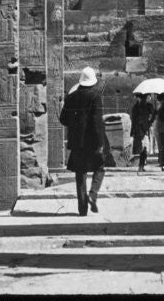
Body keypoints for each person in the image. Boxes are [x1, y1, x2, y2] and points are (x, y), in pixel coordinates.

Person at [59, 66, 106, 216]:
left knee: (80, 174)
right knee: (100, 168)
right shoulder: (95, 96)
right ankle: (92, 194)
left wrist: (75, 123)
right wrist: (100, 143)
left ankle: (82, 209)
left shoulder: (70, 97)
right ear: (93, 82)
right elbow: (96, 122)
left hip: (76, 142)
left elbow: (63, 120)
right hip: (92, 141)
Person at [130, 93, 155, 173]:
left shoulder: (146, 106)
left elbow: (152, 116)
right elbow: (134, 119)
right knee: (143, 148)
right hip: (141, 130)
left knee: (144, 148)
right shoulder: (137, 107)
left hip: (143, 129)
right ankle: (141, 166)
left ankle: (141, 165)